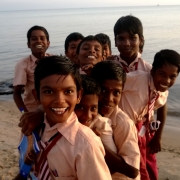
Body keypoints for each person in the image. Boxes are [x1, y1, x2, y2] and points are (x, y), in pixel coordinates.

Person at [16, 55, 112, 180]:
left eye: (68, 91)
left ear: (79, 95)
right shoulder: (32, 128)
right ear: (36, 95)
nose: (60, 101)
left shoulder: (86, 145)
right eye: (48, 91)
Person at [119, 49, 180, 180]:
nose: (167, 80)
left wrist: (158, 136)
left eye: (172, 76)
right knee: (136, 166)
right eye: (162, 74)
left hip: (144, 127)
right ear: (152, 71)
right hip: (125, 127)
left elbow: (162, 106)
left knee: (150, 163)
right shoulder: (137, 79)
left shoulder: (162, 90)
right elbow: (113, 83)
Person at [91, 60, 140, 180]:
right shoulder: (86, 114)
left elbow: (132, 171)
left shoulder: (123, 123)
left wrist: (96, 143)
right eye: (103, 90)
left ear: (122, 93)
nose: (109, 98)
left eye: (116, 93)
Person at [75, 74, 117, 153]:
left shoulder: (101, 125)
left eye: (93, 108)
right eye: (80, 108)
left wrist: (94, 141)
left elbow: (112, 163)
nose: (88, 116)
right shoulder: (59, 123)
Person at [13, 25, 50, 112]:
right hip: (32, 111)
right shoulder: (23, 65)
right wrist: (24, 113)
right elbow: (16, 93)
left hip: (52, 109)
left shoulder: (53, 60)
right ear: (28, 44)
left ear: (48, 43)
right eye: (34, 39)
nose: (38, 41)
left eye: (42, 38)